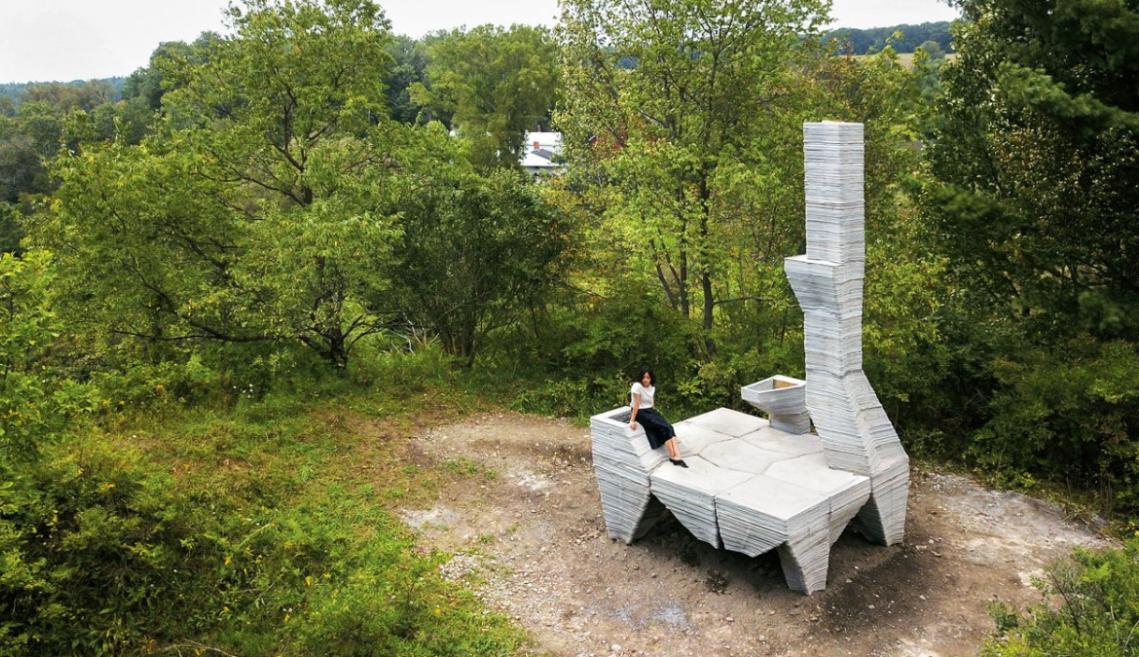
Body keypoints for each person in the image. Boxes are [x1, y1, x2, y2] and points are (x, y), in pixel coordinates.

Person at [628, 368, 687, 467]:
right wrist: (632, 420)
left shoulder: (652, 387)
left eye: (648, 377)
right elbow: (636, 404)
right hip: (640, 412)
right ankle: (675, 456)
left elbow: (651, 402)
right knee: (665, 427)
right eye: (643, 377)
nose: (645, 380)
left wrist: (656, 413)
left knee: (668, 427)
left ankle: (676, 456)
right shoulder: (637, 386)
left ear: (651, 378)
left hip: (650, 410)